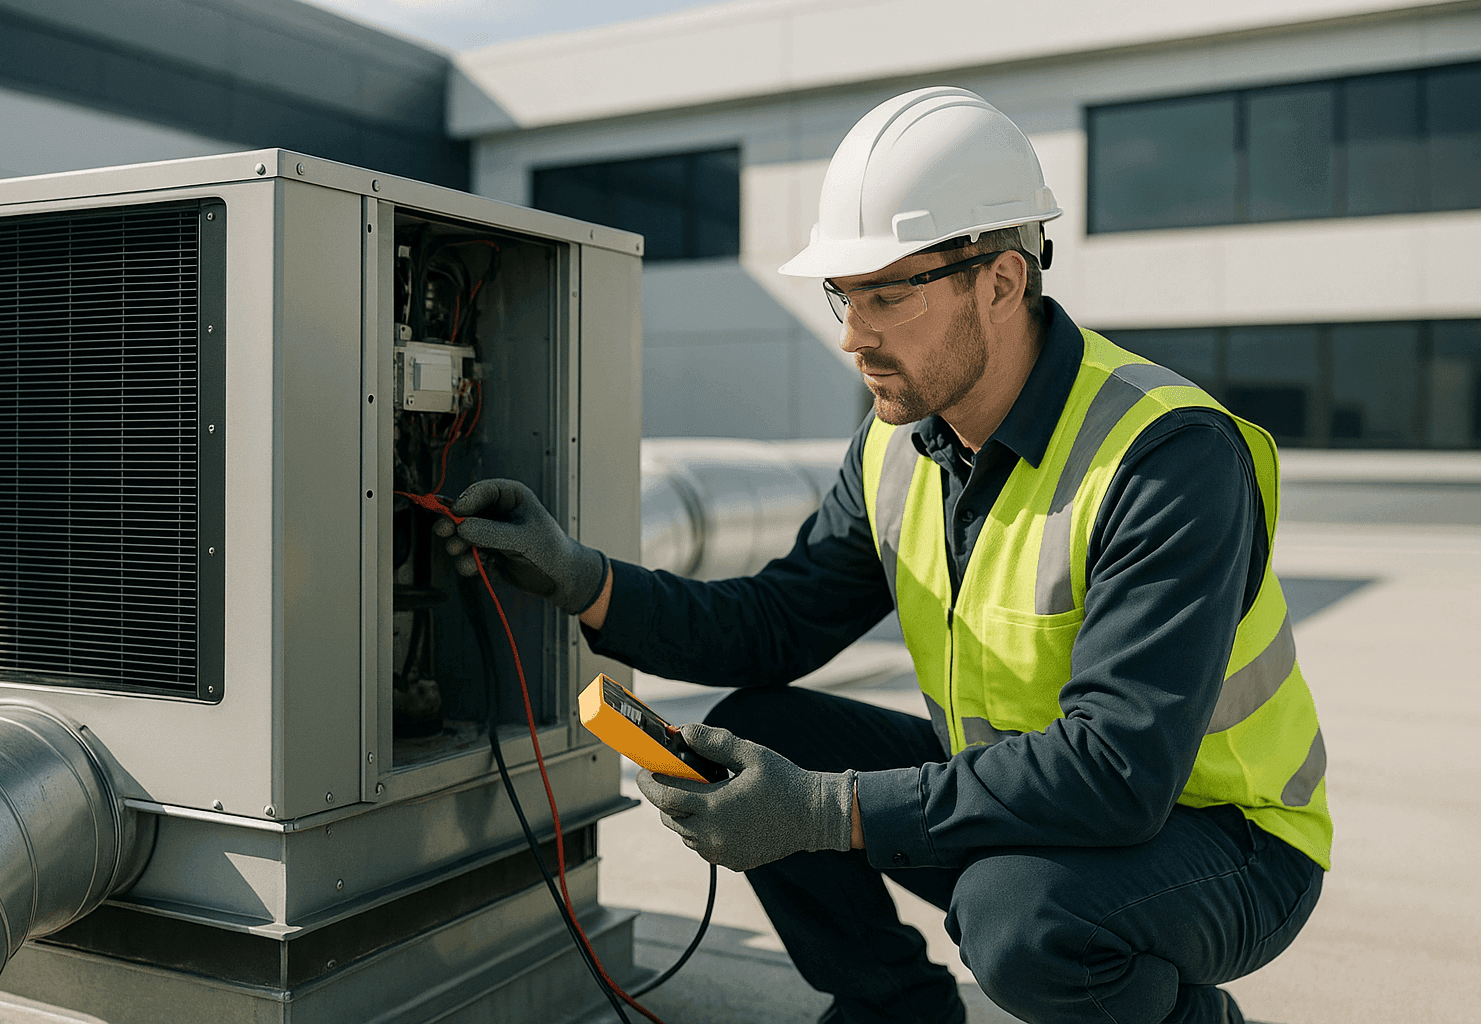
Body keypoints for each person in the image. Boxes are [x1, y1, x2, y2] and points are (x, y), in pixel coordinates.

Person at [436, 87, 1330, 1024]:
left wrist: (829, 811)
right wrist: (584, 579)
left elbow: (1117, 771)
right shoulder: (899, 445)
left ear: (1002, 282)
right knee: (764, 738)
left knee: (1022, 918)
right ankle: (894, 1010)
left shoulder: (1165, 457)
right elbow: (778, 623)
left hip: (1224, 838)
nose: (853, 336)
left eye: (889, 296)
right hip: (1035, 797)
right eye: (845, 295)